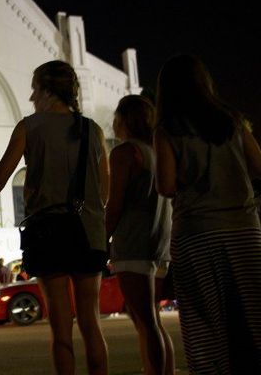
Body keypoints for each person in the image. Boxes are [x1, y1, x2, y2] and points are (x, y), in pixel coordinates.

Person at [0, 60, 110, 374]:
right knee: (91, 323)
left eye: (34, 90)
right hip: (89, 233)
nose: (31, 98)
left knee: (61, 329)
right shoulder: (93, 130)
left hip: (49, 233)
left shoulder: (30, 127)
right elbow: (104, 191)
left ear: (47, 90)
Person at [153, 54, 261, 374]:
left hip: (197, 233)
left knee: (205, 321)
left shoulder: (168, 129)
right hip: (243, 228)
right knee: (253, 312)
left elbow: (167, 185)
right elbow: (258, 166)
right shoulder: (232, 120)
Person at [105, 95, 174, 375]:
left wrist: (102, 239)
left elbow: (116, 204)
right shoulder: (157, 152)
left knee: (143, 321)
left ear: (123, 120)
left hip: (134, 243)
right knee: (153, 319)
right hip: (160, 242)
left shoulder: (124, 153)